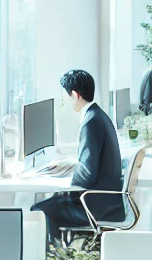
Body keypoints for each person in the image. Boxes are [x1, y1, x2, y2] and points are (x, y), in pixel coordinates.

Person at [31, 70, 124, 247]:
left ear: (74, 94)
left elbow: (87, 175)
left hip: (94, 205)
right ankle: (65, 257)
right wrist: (73, 164)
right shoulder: (99, 116)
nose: (65, 101)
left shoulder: (91, 122)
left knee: (39, 210)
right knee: (54, 201)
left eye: (65, 96)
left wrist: (63, 182)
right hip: (109, 200)